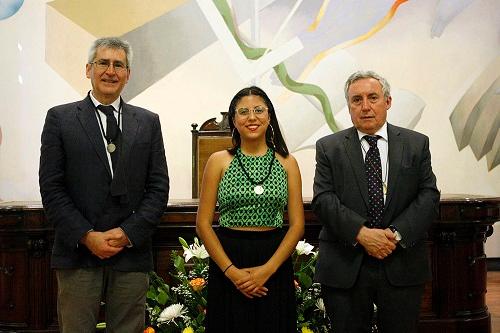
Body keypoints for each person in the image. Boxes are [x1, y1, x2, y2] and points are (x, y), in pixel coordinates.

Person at [39, 37, 169, 333]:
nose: (111, 71)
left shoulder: (148, 122)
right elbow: (52, 187)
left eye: (118, 65)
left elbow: (158, 187)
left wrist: (126, 234)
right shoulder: (60, 119)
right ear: (88, 69)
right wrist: (87, 236)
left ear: (128, 74)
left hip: (131, 253)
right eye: (103, 63)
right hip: (78, 254)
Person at [312, 70, 440, 333]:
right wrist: (361, 234)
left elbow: (428, 195)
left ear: (388, 101)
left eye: (373, 97)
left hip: (401, 261)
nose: (366, 106)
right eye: (356, 100)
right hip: (345, 265)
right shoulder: (329, 147)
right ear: (348, 106)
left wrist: (394, 234)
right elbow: (323, 199)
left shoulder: (416, 144)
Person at [196, 86, 304, 332]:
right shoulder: (218, 161)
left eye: (258, 110)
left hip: (273, 261)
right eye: (243, 112)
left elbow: (297, 225)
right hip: (229, 258)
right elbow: (203, 224)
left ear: (269, 116)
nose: (252, 117)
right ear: (234, 119)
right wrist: (232, 272)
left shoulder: (287, 162)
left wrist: (267, 270)